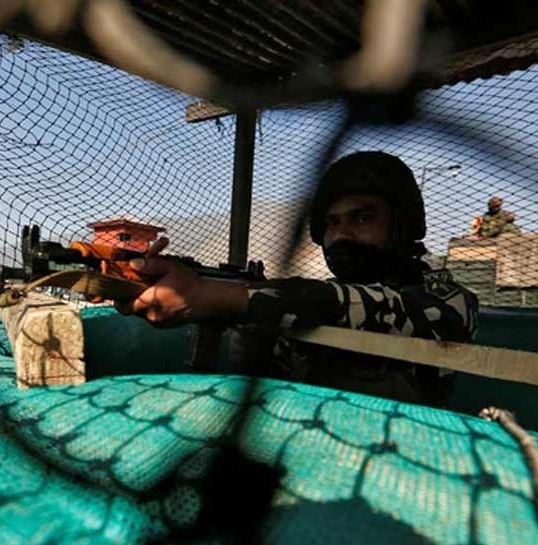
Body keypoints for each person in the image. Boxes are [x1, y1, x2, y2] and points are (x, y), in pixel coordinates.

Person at [112, 152, 479, 407]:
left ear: (402, 227)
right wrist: (221, 311)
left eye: (362, 219)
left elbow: (362, 307)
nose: (341, 235)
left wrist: (226, 297)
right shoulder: (301, 307)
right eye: (332, 223)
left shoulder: (449, 301)